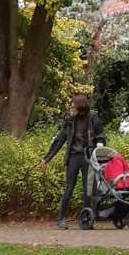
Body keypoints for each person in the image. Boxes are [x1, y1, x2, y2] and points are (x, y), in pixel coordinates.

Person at [41, 93, 105, 229]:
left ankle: (87, 219)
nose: (71, 107)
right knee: (69, 188)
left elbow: (100, 136)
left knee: (88, 190)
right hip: (73, 158)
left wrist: (99, 148)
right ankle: (61, 219)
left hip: (89, 157)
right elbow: (59, 140)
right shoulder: (70, 122)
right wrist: (47, 158)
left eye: (73, 105)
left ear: (79, 106)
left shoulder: (94, 120)